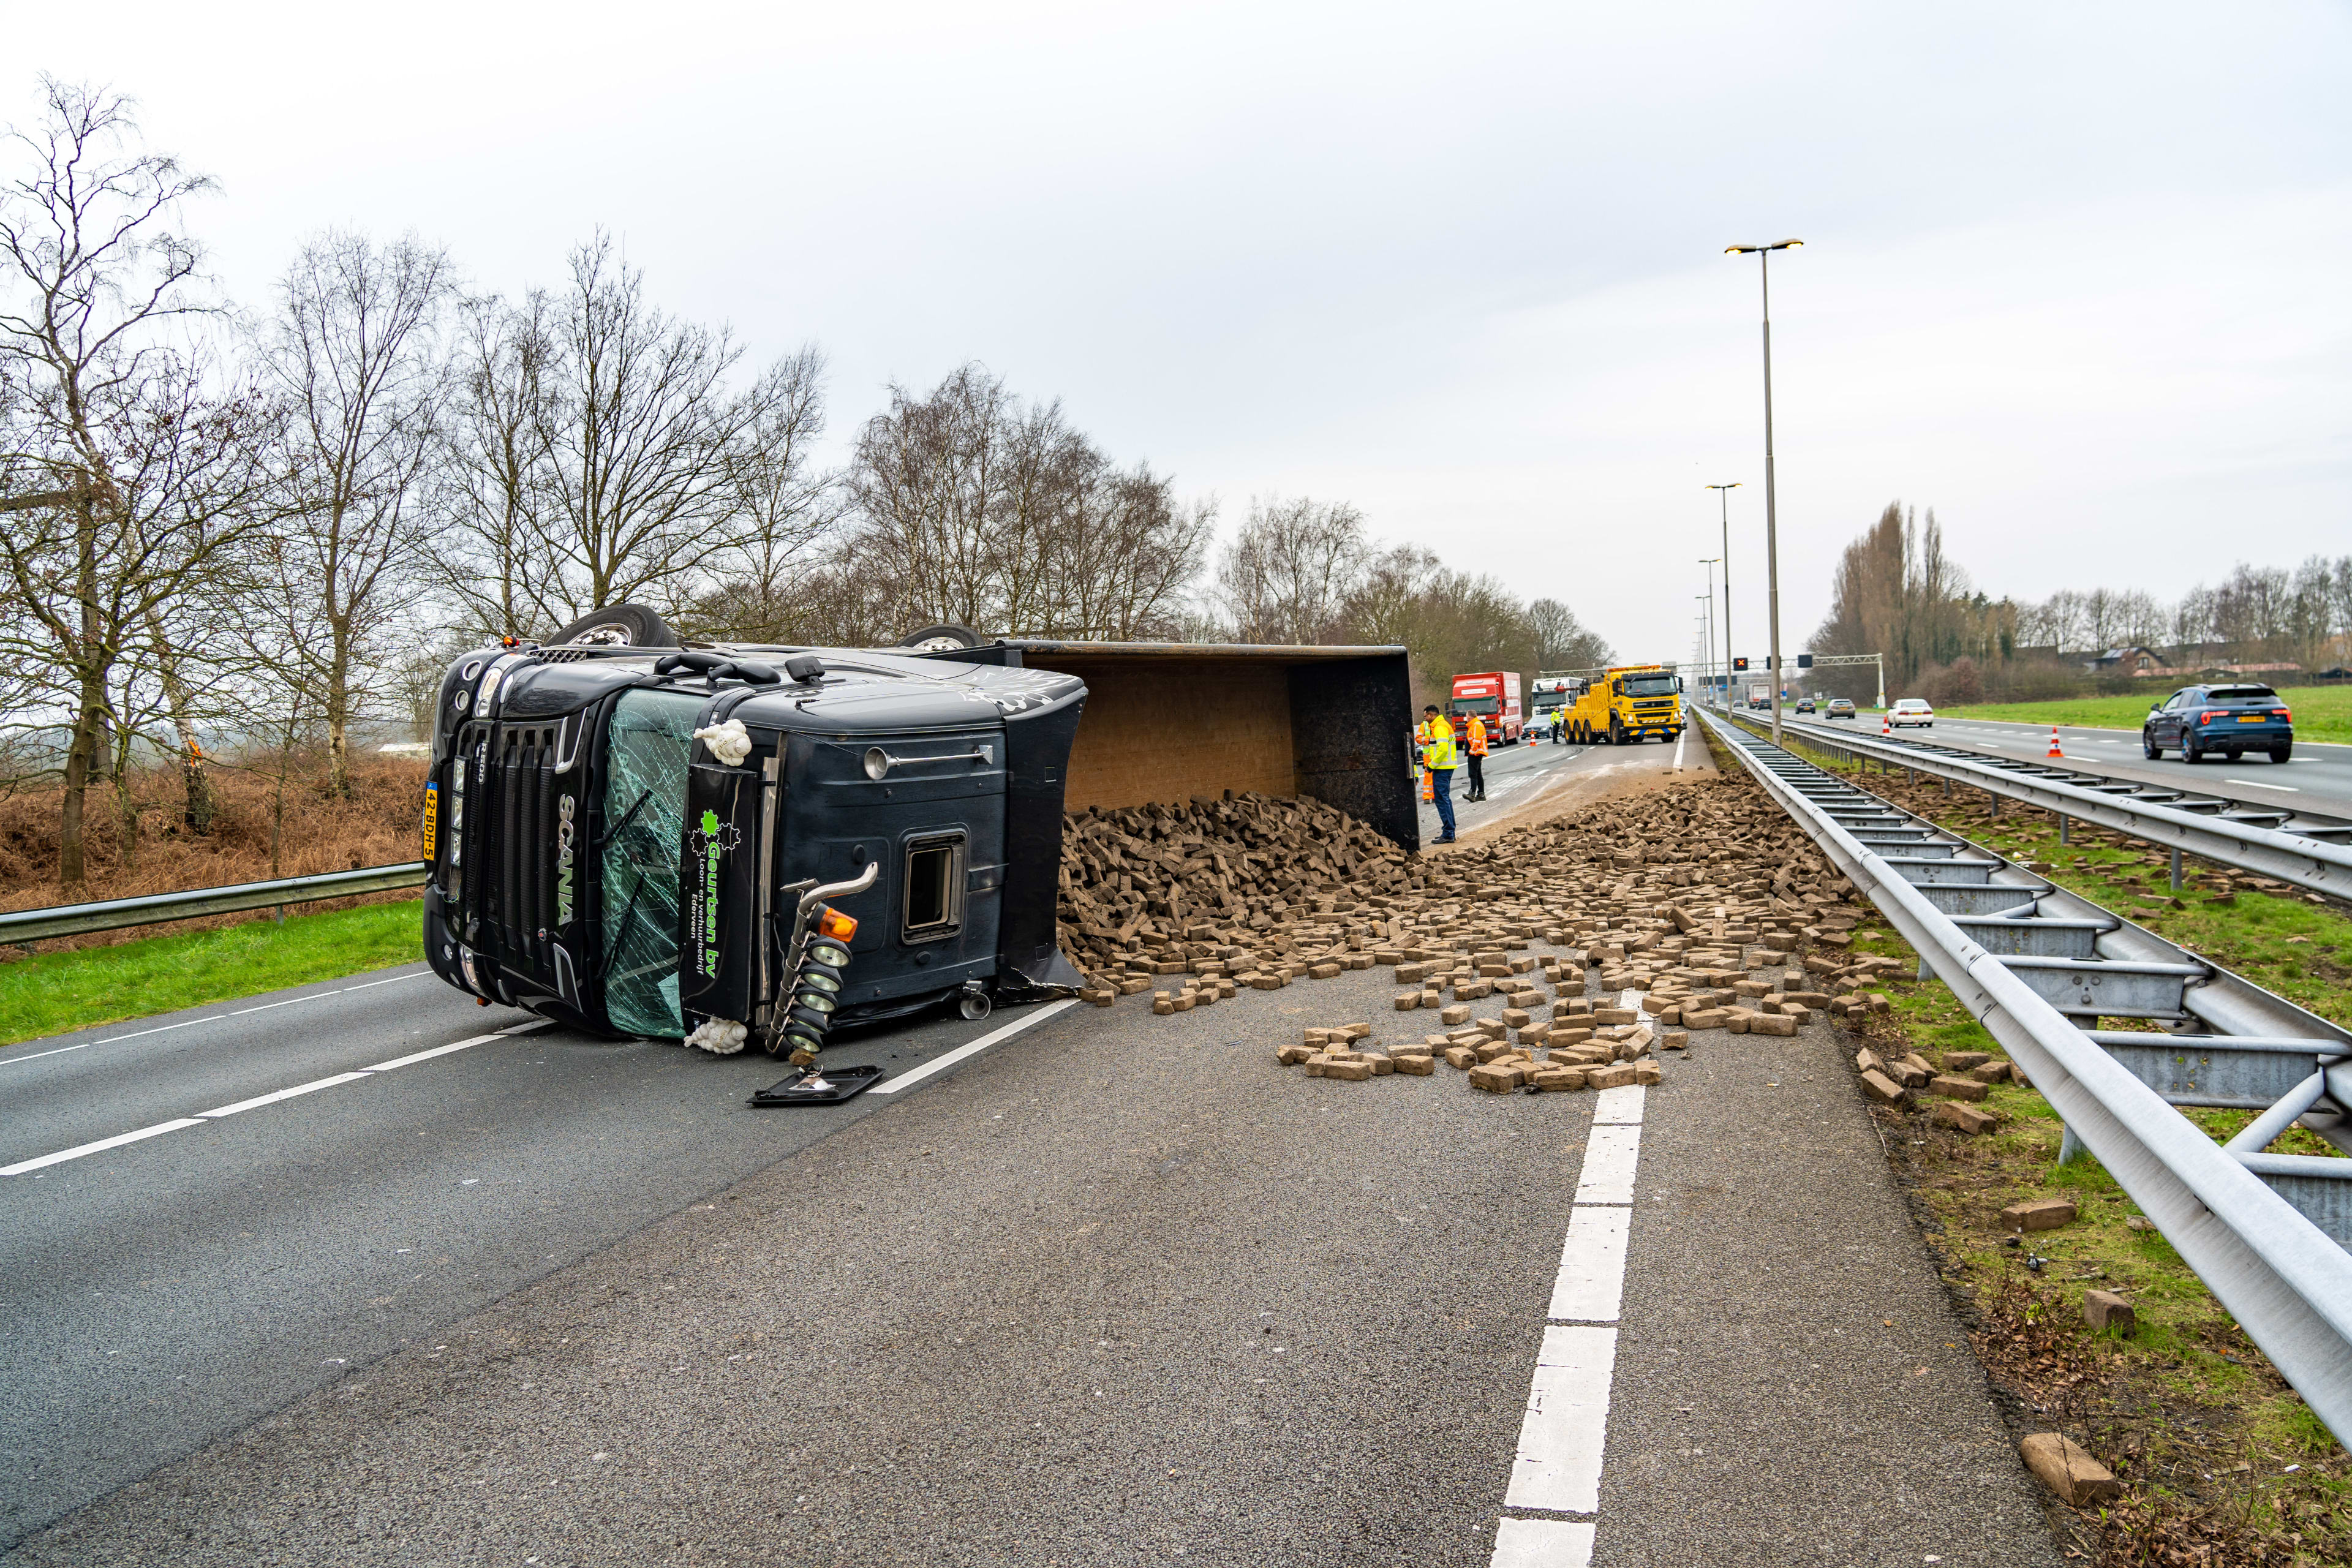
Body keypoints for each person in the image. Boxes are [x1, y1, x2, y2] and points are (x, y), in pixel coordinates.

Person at [1417, 704, 1458, 843]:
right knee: (1444, 799)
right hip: (1445, 767)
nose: (1425, 719)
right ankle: (1449, 831)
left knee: (1442, 800)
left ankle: (1448, 833)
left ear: (1431, 715)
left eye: (1425, 716)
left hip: (1442, 767)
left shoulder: (1440, 727)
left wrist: (1431, 766)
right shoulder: (1442, 725)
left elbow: (1442, 750)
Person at [1464, 712, 1488, 801]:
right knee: (1478, 773)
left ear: (1469, 717)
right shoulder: (1476, 725)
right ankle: (1481, 794)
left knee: (1473, 773)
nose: (1466, 719)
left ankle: (1472, 793)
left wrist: (1471, 752)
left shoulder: (1476, 725)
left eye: (1467, 717)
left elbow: (1476, 740)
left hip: (1476, 752)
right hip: (1478, 752)